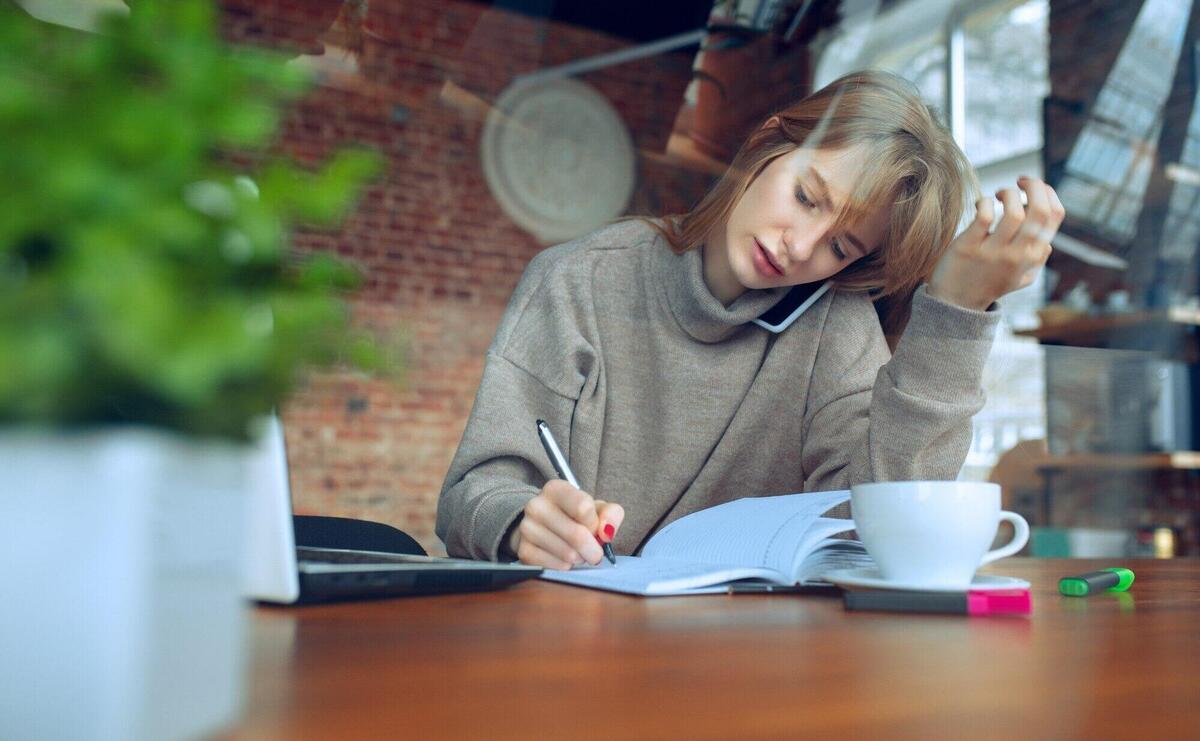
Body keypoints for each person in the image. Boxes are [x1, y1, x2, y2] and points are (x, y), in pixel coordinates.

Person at [436, 71, 1064, 570]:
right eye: (805, 196)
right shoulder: (579, 280)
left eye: (841, 247)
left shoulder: (833, 326)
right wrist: (522, 522)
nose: (800, 245)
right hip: (569, 644)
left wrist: (955, 312)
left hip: (745, 663)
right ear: (769, 144)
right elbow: (474, 492)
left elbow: (888, 522)